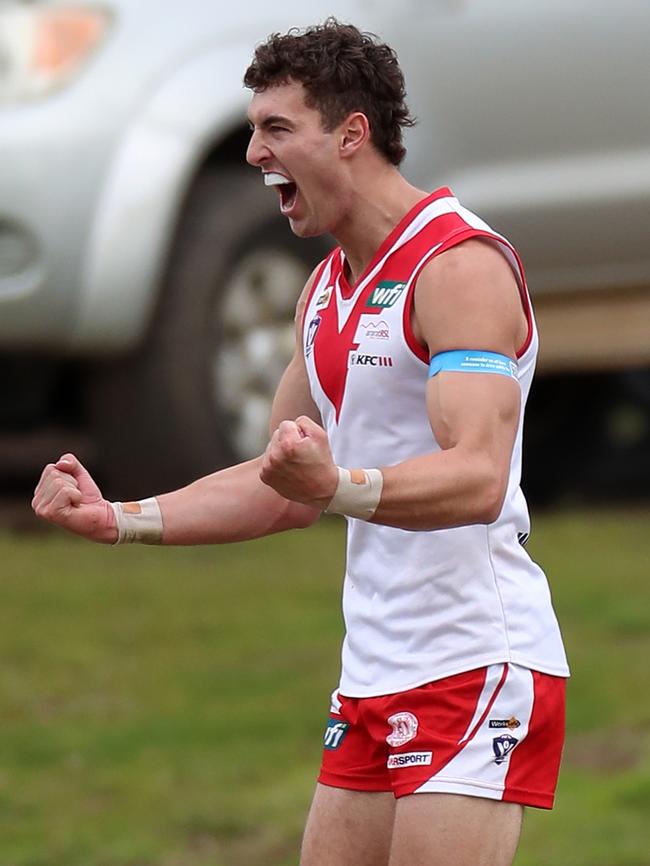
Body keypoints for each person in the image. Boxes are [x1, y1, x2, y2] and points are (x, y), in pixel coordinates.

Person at [32, 19, 569, 866]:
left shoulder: (457, 267)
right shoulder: (324, 290)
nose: (252, 154)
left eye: (276, 129)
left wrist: (339, 485)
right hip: (369, 676)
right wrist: (121, 519)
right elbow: (283, 484)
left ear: (351, 135)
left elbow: (478, 476)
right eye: (253, 130)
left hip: (476, 663)